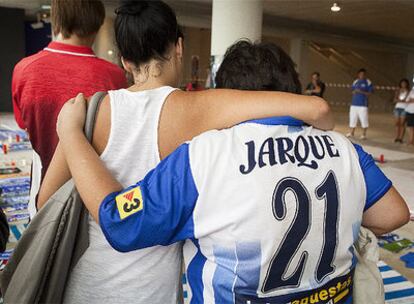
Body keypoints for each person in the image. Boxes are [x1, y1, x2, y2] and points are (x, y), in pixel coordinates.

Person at [56, 40, 409, 303]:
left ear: (226, 95)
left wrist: (71, 135)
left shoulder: (204, 155)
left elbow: (121, 221)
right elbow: (394, 214)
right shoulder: (344, 148)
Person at [37, 2, 334, 303]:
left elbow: (45, 202)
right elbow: (316, 109)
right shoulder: (197, 108)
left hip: (81, 285)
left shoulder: (87, 112)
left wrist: (70, 132)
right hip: (150, 292)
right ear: (179, 47)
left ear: (125, 61)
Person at [12, 0, 127, 217]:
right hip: (95, 197)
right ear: (98, 22)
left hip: (43, 194)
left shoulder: (24, 70)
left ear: (56, 19)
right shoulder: (114, 76)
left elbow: (25, 125)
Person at [346, 68, 373, 140]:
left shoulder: (368, 82)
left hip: (363, 105)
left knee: (364, 119)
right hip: (354, 103)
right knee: (352, 118)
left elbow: (369, 93)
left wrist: (360, 91)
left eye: (363, 74)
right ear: (358, 74)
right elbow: (352, 90)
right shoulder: (356, 81)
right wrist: (354, 92)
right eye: (360, 74)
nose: (361, 75)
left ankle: (364, 134)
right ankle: (351, 132)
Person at [393, 79, 410, 143]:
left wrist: (401, 100)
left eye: (405, 83)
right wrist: (399, 100)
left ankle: (400, 138)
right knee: (397, 123)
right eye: (402, 83)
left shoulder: (408, 92)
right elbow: (394, 99)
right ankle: (397, 136)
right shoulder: (398, 91)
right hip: (397, 108)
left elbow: (407, 100)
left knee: (402, 123)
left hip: (404, 108)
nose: (403, 84)